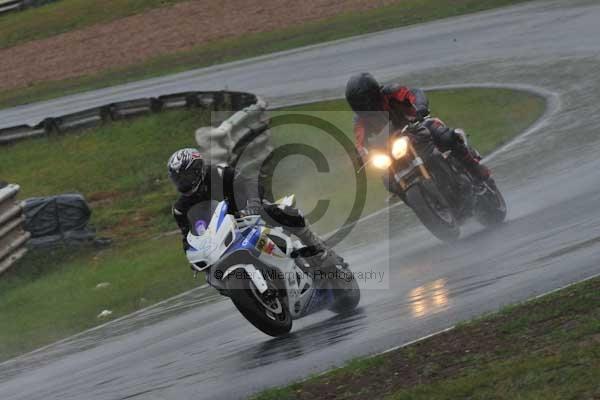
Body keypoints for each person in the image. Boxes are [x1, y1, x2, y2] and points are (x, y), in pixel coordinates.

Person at [167, 148, 346, 271]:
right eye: (178, 179)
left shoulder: (218, 173)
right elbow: (188, 238)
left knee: (282, 212)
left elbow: (249, 183)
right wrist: (193, 256)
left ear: (198, 170)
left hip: (249, 213)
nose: (182, 182)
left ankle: (319, 249)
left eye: (186, 176)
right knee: (211, 272)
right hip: (221, 237)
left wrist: (253, 204)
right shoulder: (181, 209)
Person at [345, 72, 491, 191]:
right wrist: (360, 155)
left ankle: (476, 169)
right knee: (388, 180)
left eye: (364, 99)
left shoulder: (390, 93)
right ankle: (426, 202)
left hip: (417, 128)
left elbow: (413, 93)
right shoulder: (360, 120)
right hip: (394, 146)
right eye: (358, 102)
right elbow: (360, 141)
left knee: (444, 136)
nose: (364, 105)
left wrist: (420, 106)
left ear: (373, 92)